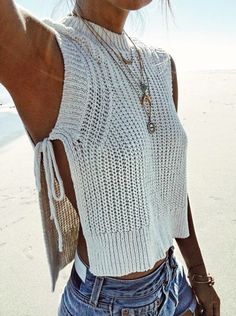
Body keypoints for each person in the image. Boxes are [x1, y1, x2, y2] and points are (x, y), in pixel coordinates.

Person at [0, 0, 220, 315]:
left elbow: (165, 185)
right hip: (109, 303)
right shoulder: (50, 54)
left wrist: (198, 272)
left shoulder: (160, 66)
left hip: (175, 284)